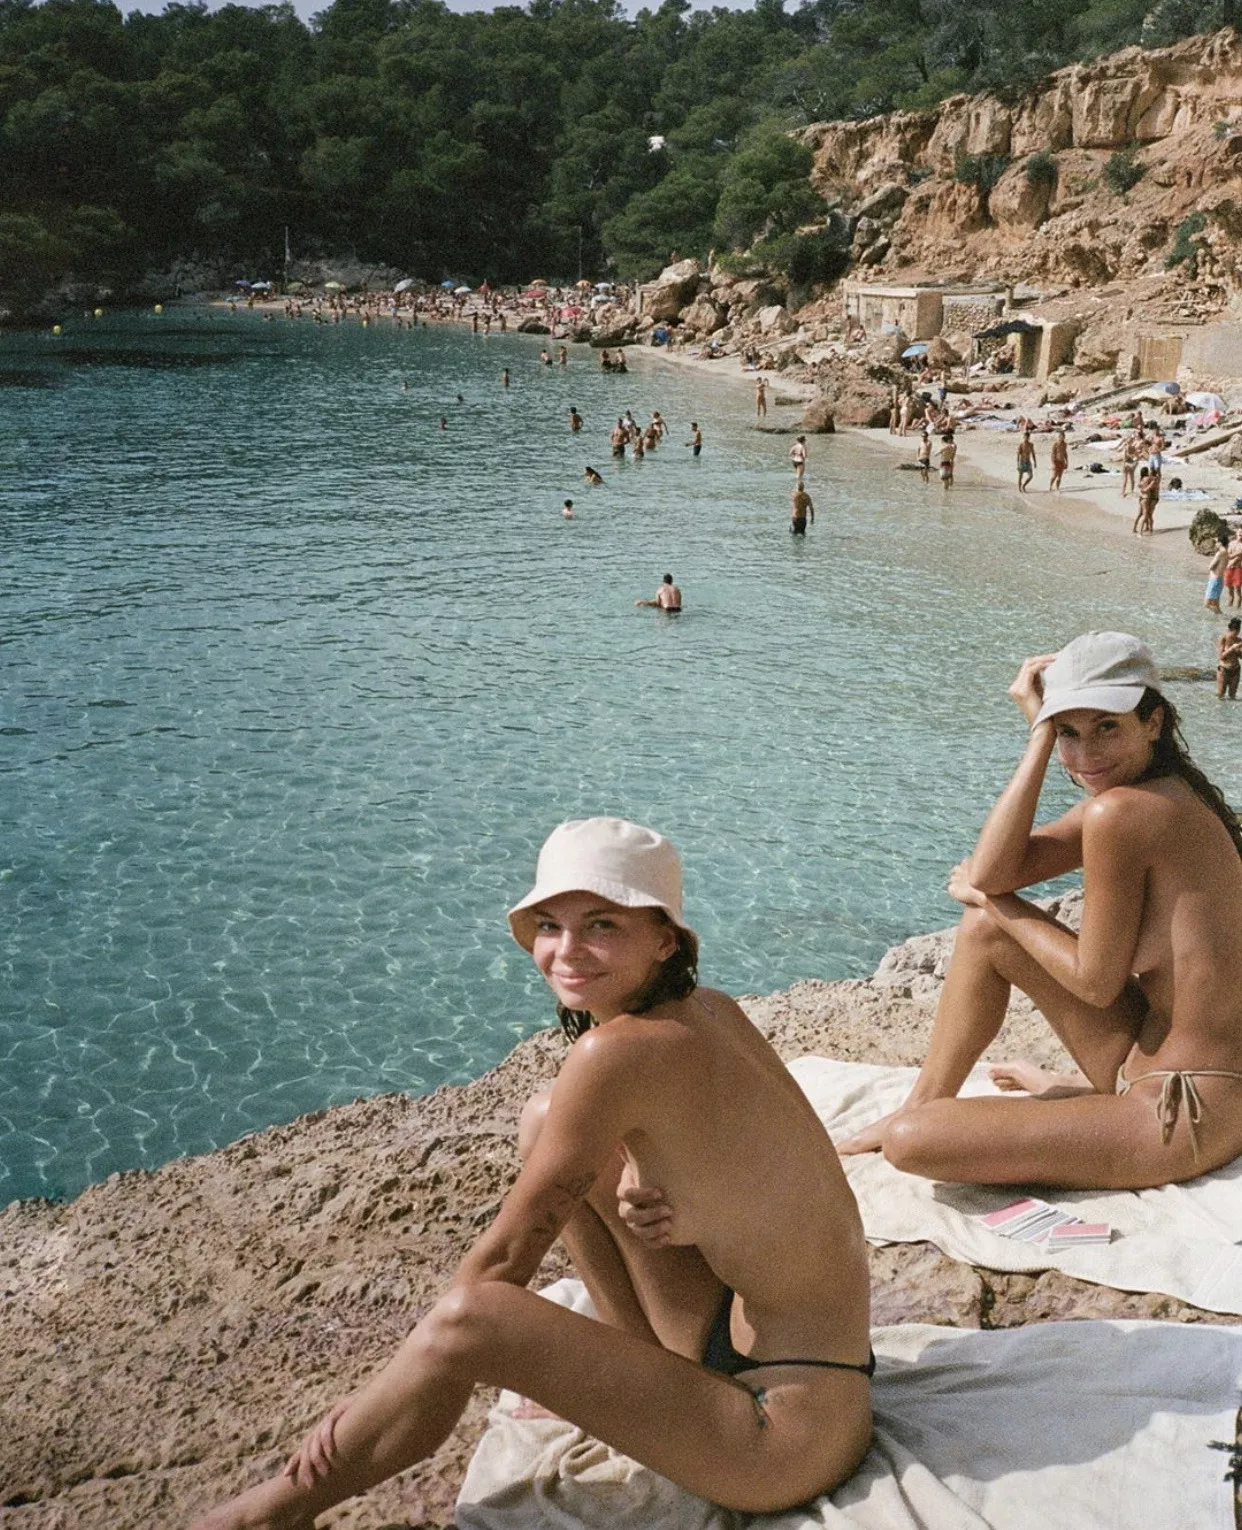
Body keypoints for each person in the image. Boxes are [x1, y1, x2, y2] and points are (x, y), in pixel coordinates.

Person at [190, 820, 873, 1530]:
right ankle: (639, 1378)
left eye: (600, 924)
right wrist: (674, 1204)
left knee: (468, 1321)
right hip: (765, 1354)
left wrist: (398, 1387)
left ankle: (275, 1513)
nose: (567, 951)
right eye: (550, 925)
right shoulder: (710, 1010)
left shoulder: (616, 1054)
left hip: (780, 1439)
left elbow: (505, 1261)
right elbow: (756, 1175)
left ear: (665, 938)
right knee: (548, 1122)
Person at [838, 632, 1242, 1188]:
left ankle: (918, 1114)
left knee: (913, 1143)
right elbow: (992, 869)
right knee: (986, 926)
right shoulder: (1146, 796)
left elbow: (1095, 984)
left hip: (1184, 1110)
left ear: (1154, 721)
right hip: (1149, 1062)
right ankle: (923, 1098)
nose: (1085, 754)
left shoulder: (1123, 814)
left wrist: (995, 903)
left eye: (1107, 727)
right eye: (1067, 734)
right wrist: (1037, 737)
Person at [1217, 619, 1242, 698]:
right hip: (1224, 669)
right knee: (1221, 695)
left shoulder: (1239, 641)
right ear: (1230, 630)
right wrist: (1232, 648)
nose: (1235, 635)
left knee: (1232, 696)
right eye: (1233, 632)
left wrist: (1239, 651)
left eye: (1237, 632)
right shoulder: (1223, 638)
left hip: (1236, 670)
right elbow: (1221, 656)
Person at [1205, 537, 1228, 612]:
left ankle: (1224, 618)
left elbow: (1210, 567)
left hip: (1214, 580)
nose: (1215, 544)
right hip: (1220, 580)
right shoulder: (1226, 552)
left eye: (1217, 542)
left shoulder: (1220, 553)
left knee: (1207, 605)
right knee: (1216, 605)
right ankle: (1222, 620)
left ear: (1220, 543)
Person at [1225, 527, 1242, 608]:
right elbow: (1228, 556)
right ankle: (1229, 608)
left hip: (1238, 569)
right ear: (1236, 533)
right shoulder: (1231, 543)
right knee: (1229, 590)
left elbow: (1231, 556)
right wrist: (1237, 554)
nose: (1241, 534)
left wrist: (1233, 556)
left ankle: (1237, 611)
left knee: (1237, 590)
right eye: (1240, 532)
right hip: (1229, 569)